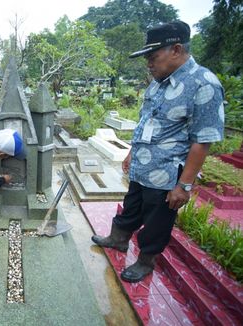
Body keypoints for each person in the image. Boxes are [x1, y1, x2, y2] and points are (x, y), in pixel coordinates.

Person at [92, 21, 224, 283]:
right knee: (131, 208)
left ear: (176, 50)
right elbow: (145, 123)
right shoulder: (158, 83)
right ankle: (118, 240)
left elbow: (202, 142)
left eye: (153, 58)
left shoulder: (203, 84)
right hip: (142, 168)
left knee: (156, 222)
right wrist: (131, 152)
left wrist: (184, 185)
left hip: (166, 174)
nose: (149, 65)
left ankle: (145, 262)